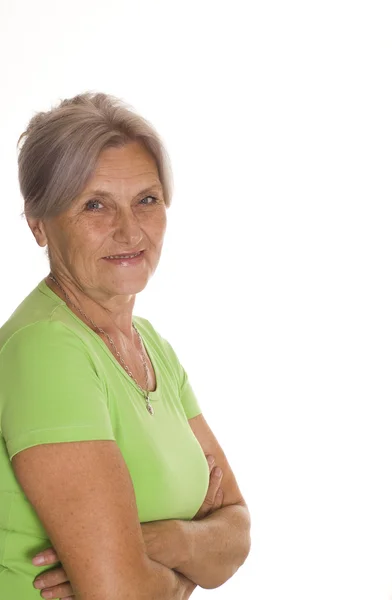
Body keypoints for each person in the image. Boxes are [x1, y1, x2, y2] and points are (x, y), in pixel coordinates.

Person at [0, 92, 251, 599]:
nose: (129, 230)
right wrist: (183, 574)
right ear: (38, 225)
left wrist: (162, 544)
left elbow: (237, 533)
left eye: (147, 200)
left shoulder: (151, 345)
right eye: (95, 205)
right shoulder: (48, 349)